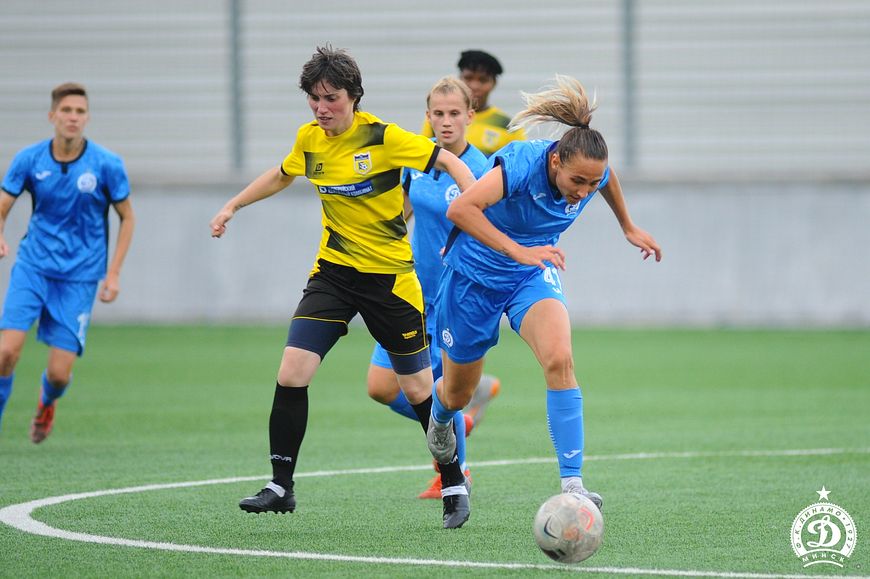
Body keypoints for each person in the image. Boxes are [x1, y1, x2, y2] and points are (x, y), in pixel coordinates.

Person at [209, 46, 477, 529]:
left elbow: (451, 163)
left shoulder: (384, 138)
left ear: (353, 96)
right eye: (314, 98)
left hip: (390, 280)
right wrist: (233, 205)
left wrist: (471, 205)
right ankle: (280, 485)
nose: (321, 108)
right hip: (333, 274)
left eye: (330, 98)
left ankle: (453, 480)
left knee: (418, 389)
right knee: (292, 372)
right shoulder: (309, 139)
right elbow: (281, 174)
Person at [425, 75, 662, 512]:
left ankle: (573, 484)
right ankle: (439, 415)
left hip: (530, 275)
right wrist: (517, 250)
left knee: (559, 359)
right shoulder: (521, 164)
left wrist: (627, 226)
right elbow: (461, 208)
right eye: (578, 181)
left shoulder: (590, 172)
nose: (583, 192)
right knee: (457, 394)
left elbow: (607, 179)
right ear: (555, 161)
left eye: (590, 183)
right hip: (473, 278)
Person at [365, 77, 501, 500]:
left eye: (454, 113)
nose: (445, 121)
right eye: (438, 114)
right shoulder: (417, 160)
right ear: (428, 116)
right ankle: (458, 423)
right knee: (380, 387)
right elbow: (403, 210)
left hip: (453, 298)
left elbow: (491, 229)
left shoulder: (481, 169)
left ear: (470, 116)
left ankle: (454, 475)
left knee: (441, 391)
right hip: (410, 291)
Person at [0, 82, 135, 443]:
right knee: (5, 353)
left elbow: (127, 217)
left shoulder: (106, 164)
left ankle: (47, 403)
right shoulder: (29, 159)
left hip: (79, 277)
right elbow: (3, 204)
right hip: (33, 267)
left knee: (59, 374)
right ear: (52, 116)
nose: (73, 117)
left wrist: (114, 274)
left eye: (79, 112)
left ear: (87, 118)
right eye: (66, 111)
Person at [422, 50, 526, 156]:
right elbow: (425, 155)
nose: (474, 86)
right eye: (468, 78)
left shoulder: (508, 126)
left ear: (494, 83)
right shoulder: (439, 119)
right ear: (459, 78)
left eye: (483, 80)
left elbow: (519, 162)